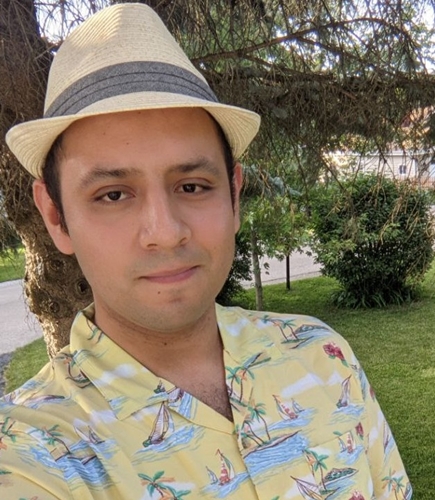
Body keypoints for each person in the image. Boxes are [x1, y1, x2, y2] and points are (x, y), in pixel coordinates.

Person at [1, 4, 411, 499]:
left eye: (192, 186)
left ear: (234, 195)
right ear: (55, 216)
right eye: (113, 195)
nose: (166, 232)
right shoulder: (30, 454)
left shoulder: (323, 356)